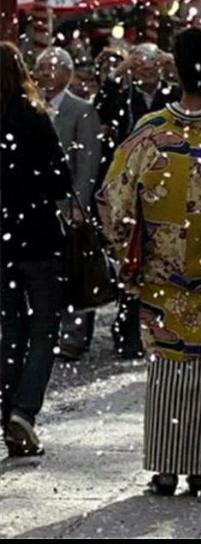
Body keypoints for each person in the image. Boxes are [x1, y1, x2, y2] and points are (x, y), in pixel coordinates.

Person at [97, 26, 201, 496]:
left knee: (167, 365)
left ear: (175, 68)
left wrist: (123, 251)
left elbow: (111, 198)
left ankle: (166, 467)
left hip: (160, 266)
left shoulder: (149, 132)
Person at [0, 43, 72, 457]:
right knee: (44, 327)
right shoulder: (34, 118)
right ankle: (24, 411)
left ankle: (9, 407)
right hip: (39, 238)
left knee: (11, 329)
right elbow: (60, 181)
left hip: (3, 241)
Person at [95, 42, 179, 358]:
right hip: (126, 184)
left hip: (165, 180)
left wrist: (174, 61)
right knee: (128, 258)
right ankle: (127, 329)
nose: (146, 67)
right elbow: (101, 107)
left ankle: (159, 325)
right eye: (140, 62)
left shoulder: (171, 94)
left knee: (161, 257)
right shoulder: (123, 95)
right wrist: (119, 71)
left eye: (151, 62)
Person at [34, 47, 103, 361]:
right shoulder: (31, 106)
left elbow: (88, 162)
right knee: (46, 271)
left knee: (75, 268)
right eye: (42, 68)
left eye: (52, 68)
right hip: (37, 201)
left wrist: (80, 203)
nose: (47, 74)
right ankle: (46, 330)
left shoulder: (81, 109)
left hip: (68, 200)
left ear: (67, 72)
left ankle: (74, 334)